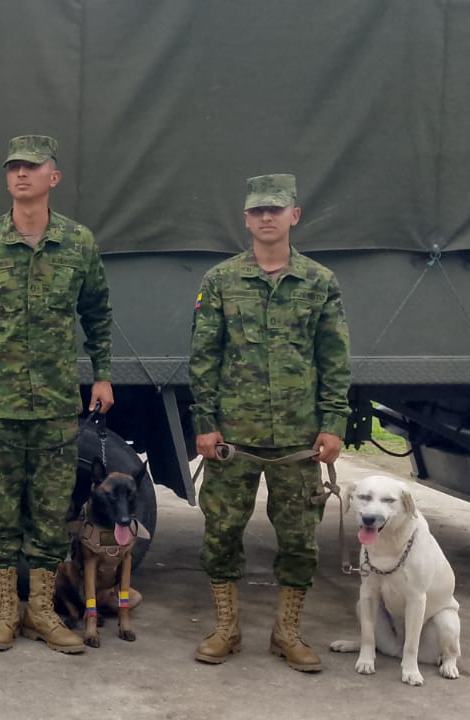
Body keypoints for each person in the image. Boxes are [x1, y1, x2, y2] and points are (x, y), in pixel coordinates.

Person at [0, 135, 115, 653]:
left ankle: (41, 611)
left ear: (52, 178)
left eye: (32, 167)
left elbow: (98, 314)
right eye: (14, 167)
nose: (20, 174)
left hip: (57, 407)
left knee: (50, 514)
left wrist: (103, 374)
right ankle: (5, 610)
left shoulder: (78, 243)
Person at [188, 173, 351, 672]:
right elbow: (204, 357)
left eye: (275, 209)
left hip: (298, 440)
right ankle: (226, 628)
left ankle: (287, 632)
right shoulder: (220, 280)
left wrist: (333, 423)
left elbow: (334, 358)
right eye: (257, 210)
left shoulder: (319, 282)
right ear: (246, 218)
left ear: (293, 215)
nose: (266, 217)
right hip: (233, 438)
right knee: (221, 533)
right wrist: (205, 422)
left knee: (300, 540)